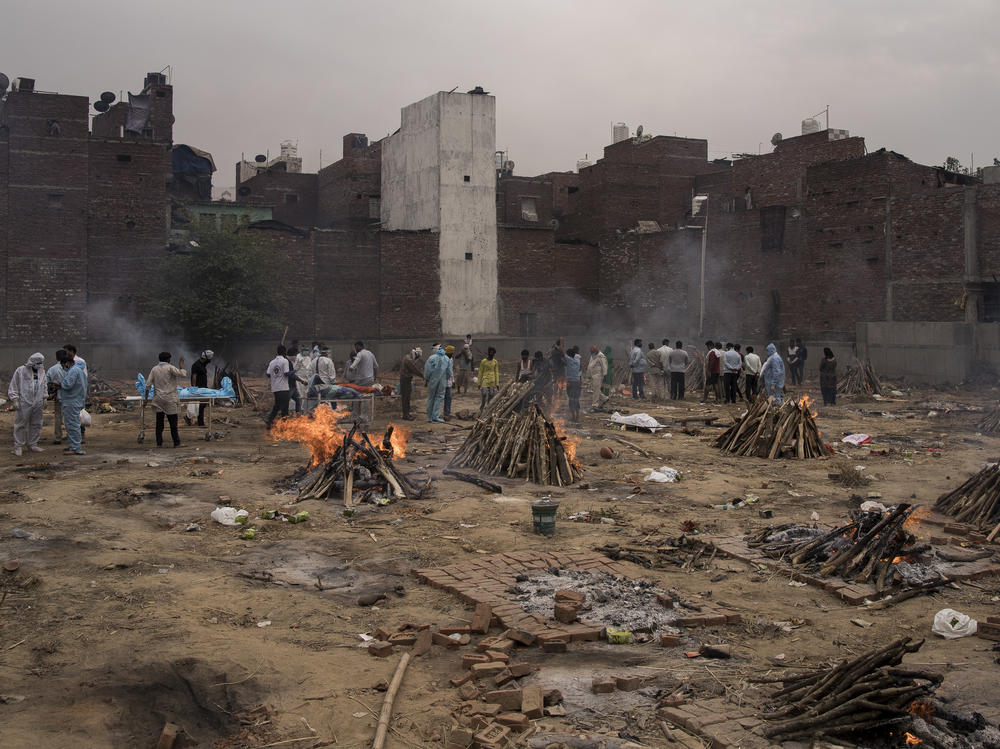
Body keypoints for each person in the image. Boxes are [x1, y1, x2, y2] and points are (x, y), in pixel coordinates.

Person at [145, 352, 187, 448]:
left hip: (158, 399)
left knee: (159, 423)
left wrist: (146, 399)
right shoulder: (170, 367)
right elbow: (182, 374)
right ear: (168, 359)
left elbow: (147, 385)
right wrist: (181, 365)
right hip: (170, 399)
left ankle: (159, 443)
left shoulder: (154, 369)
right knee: (173, 423)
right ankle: (176, 443)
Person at [9, 352, 47, 456]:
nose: (39, 365)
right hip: (24, 401)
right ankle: (18, 446)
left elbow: (44, 384)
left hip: (37, 401)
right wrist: (15, 399)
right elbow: (14, 385)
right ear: (32, 362)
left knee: (36, 423)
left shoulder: (41, 371)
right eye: (38, 363)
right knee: (20, 424)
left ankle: (33, 444)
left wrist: (44, 397)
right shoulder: (21, 370)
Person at [59, 354, 87, 455]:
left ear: (67, 363)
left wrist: (59, 384)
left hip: (72, 401)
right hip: (75, 400)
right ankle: (73, 445)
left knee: (72, 425)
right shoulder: (78, 370)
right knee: (72, 424)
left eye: (63, 365)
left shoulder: (74, 371)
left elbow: (68, 384)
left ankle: (75, 447)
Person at [347, 341, 379, 425]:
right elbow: (376, 366)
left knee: (356, 395)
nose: (356, 349)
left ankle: (355, 416)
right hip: (370, 379)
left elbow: (356, 361)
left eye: (356, 347)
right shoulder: (370, 354)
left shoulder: (360, 353)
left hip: (361, 380)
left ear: (360, 346)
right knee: (367, 397)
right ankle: (364, 416)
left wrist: (352, 367)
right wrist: (375, 376)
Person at [264, 345, 291, 428]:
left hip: (275, 388)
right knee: (284, 408)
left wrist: (275, 376)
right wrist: (293, 372)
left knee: (277, 406)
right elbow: (286, 373)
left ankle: (269, 422)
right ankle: (284, 426)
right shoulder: (285, 361)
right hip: (283, 388)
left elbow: (268, 374)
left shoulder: (272, 362)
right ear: (284, 352)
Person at [423, 347, 451, 422]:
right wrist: (446, 378)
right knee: (439, 397)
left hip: (432, 380)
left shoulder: (431, 358)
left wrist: (427, 378)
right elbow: (449, 371)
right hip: (442, 380)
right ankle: (435, 416)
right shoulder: (447, 359)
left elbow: (427, 370)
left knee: (431, 397)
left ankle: (429, 417)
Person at [47, 349, 66, 444]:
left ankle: (58, 437)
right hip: (70, 396)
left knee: (58, 417)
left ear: (56, 358)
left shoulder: (52, 369)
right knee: (70, 417)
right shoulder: (70, 368)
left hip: (58, 396)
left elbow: (47, 383)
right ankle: (72, 436)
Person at [189, 350, 214, 426]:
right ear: (206, 358)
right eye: (209, 359)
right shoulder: (196, 365)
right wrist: (194, 387)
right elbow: (194, 376)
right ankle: (200, 422)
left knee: (202, 404)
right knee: (201, 404)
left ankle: (199, 421)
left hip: (203, 387)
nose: (210, 361)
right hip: (199, 387)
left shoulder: (203, 364)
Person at [398, 347, 424, 420]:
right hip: (405, 380)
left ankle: (406, 414)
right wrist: (423, 376)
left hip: (406, 379)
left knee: (406, 397)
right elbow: (415, 369)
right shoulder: (408, 360)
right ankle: (406, 415)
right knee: (406, 397)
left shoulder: (408, 357)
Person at [586, 345, 608, 411]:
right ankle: (605, 398)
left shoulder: (601, 356)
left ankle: (595, 404)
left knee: (596, 390)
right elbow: (590, 365)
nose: (592, 353)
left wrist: (605, 374)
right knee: (595, 389)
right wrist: (588, 374)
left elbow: (604, 366)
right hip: (593, 375)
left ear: (596, 350)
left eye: (593, 351)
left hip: (598, 375)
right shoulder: (593, 356)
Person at [564, 345, 582, 423]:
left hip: (571, 382)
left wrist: (561, 342)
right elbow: (577, 355)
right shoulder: (577, 360)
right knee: (576, 399)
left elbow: (562, 353)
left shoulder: (569, 360)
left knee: (571, 399)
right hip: (578, 382)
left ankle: (573, 416)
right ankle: (577, 416)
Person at [478, 347, 500, 412]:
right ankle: (482, 407)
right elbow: (480, 372)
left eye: (493, 353)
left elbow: (496, 372)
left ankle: (488, 407)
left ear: (494, 354)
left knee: (491, 394)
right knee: (484, 394)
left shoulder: (495, 362)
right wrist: (479, 383)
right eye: (490, 352)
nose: (491, 354)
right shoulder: (483, 361)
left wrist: (497, 383)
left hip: (492, 380)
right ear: (488, 352)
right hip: (484, 379)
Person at [443, 345, 456, 419]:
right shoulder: (443, 359)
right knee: (440, 399)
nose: (452, 354)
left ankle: (447, 414)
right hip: (442, 382)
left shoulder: (451, 359)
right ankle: (436, 414)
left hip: (449, 382)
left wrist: (453, 381)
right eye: (451, 353)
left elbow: (451, 371)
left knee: (449, 398)